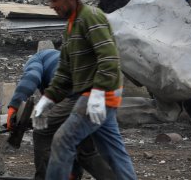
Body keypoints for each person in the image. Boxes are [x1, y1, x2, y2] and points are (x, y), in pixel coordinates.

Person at [32, 0, 137, 179]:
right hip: (97, 94)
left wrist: (98, 93)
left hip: (97, 94)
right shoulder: (71, 28)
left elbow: (109, 58)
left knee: (63, 140)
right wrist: (48, 98)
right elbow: (65, 73)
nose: (51, 5)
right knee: (114, 153)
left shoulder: (91, 17)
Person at [7, 49, 114, 180]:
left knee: (42, 131)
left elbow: (31, 77)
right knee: (86, 149)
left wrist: (14, 106)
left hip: (77, 95)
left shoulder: (36, 59)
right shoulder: (58, 61)